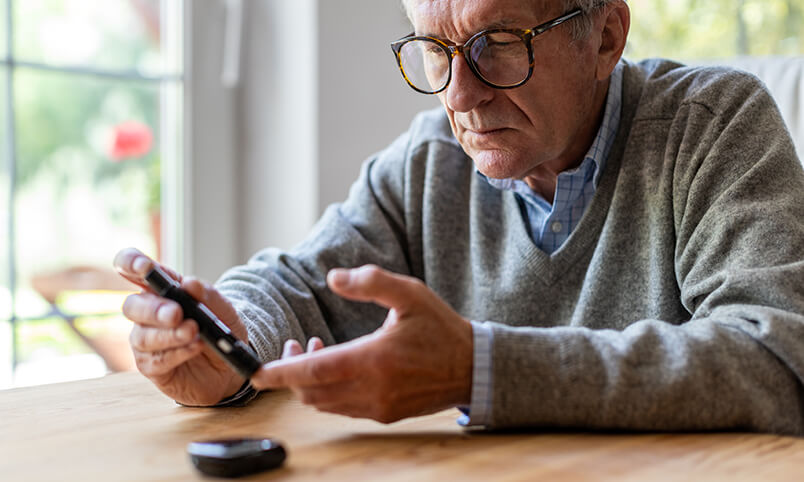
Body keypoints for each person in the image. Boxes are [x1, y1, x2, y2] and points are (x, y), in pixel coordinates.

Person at [114, 0, 804, 434]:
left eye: (497, 41)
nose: (460, 94)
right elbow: (296, 284)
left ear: (606, 36)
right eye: (434, 50)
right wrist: (230, 346)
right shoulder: (430, 159)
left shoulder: (715, 124)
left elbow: (777, 360)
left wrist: (479, 369)